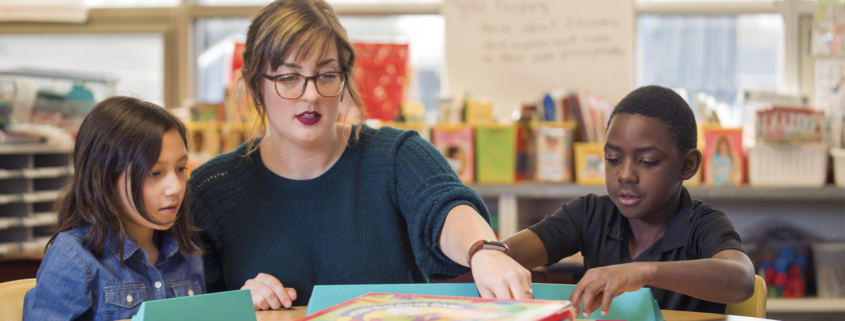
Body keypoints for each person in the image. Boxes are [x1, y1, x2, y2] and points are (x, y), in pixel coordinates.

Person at [188, 0, 530, 311]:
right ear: (253, 86)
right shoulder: (211, 189)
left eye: (327, 75)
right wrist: (237, 303)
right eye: (290, 77)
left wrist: (482, 249)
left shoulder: (395, 156)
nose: (311, 95)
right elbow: (192, 304)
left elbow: (444, 208)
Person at [503, 86, 755, 316]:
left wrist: (646, 271)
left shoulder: (703, 224)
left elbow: (742, 279)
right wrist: (486, 255)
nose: (624, 174)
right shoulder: (589, 213)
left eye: (647, 161)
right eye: (613, 159)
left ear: (687, 165)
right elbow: (503, 256)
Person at [23, 97, 204, 321]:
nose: (175, 188)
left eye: (180, 168)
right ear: (105, 178)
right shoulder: (73, 258)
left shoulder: (188, 254)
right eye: (154, 173)